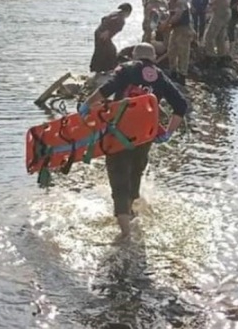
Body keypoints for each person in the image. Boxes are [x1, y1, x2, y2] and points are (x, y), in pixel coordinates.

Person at [79, 43, 189, 241]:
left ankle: (125, 232)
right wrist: (168, 133)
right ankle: (132, 214)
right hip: (144, 136)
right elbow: (181, 106)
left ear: (134, 55)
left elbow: (106, 89)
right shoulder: (160, 77)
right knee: (135, 173)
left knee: (118, 177)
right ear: (153, 57)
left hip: (118, 133)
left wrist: (87, 105)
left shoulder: (126, 70)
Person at [163, 0, 194, 85]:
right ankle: (173, 72)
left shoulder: (181, 1)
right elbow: (167, 15)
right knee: (171, 51)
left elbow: (177, 16)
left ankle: (182, 75)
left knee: (183, 53)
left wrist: (166, 24)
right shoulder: (170, 2)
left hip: (184, 29)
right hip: (175, 29)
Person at [202, 0, 233, 65]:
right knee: (220, 36)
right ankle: (221, 56)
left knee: (209, 36)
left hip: (221, 12)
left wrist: (211, 3)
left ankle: (210, 56)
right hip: (224, 12)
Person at [90, 3, 133, 74]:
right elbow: (112, 22)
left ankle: (99, 69)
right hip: (103, 34)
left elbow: (103, 18)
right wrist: (107, 31)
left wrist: (103, 29)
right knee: (109, 51)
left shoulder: (115, 13)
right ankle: (106, 69)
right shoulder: (120, 19)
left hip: (99, 32)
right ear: (128, 12)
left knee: (102, 51)